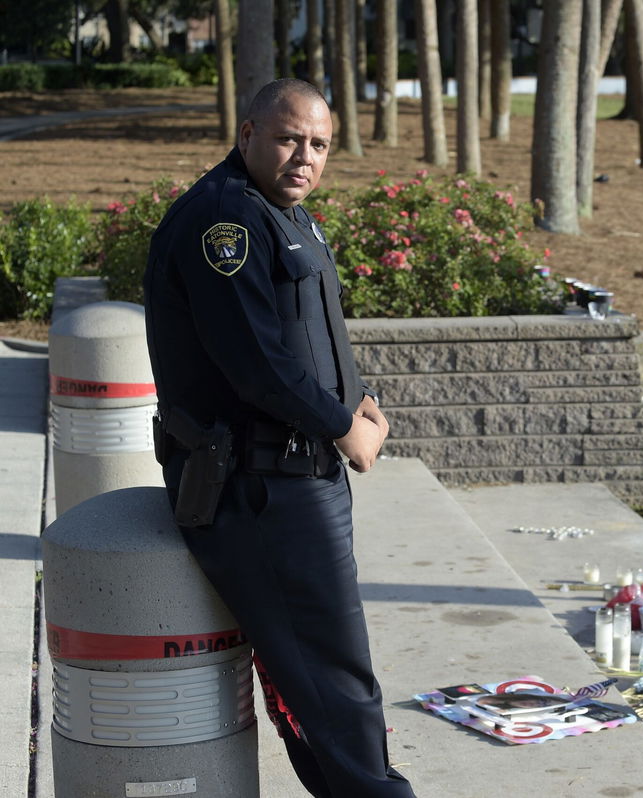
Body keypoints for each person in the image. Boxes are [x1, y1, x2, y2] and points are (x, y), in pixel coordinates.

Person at [143, 78, 416, 798]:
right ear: (248, 134)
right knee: (333, 677)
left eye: (319, 144)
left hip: (296, 475)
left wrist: (358, 401)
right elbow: (255, 363)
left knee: (318, 678)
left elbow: (304, 334)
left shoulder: (281, 212)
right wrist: (343, 429)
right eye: (291, 138)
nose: (306, 156)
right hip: (260, 488)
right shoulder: (224, 223)